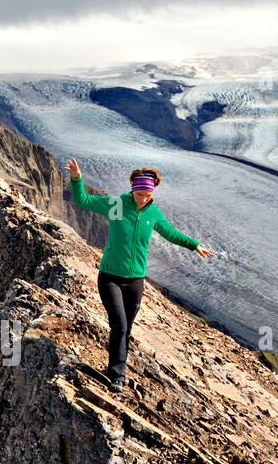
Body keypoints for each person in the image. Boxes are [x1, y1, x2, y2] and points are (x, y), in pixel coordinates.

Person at [65, 159, 212, 391]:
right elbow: (83, 200)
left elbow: (170, 233)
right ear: (133, 189)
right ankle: (117, 375)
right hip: (110, 277)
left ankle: (114, 366)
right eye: (140, 194)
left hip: (135, 281)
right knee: (120, 326)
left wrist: (194, 245)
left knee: (125, 329)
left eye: (147, 195)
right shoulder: (116, 205)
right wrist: (76, 178)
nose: (143, 199)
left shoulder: (152, 212)